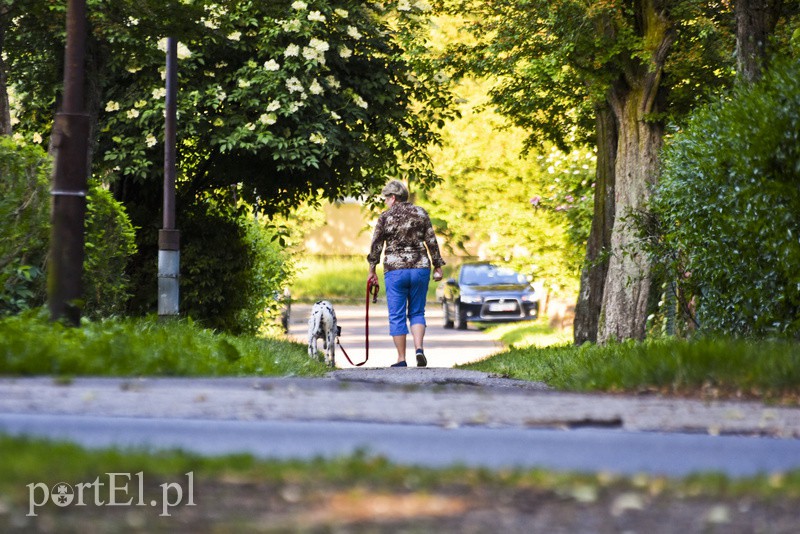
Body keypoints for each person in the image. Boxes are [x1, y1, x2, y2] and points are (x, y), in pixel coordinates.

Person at [367, 180, 445, 367]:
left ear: (393, 198)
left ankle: (401, 359)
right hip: (420, 268)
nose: (385, 202)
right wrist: (438, 265)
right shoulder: (421, 213)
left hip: (396, 270)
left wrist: (372, 269)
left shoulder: (385, 217)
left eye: (386, 198)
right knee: (417, 311)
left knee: (397, 315)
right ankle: (419, 349)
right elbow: (431, 241)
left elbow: (376, 244)